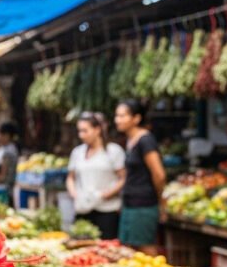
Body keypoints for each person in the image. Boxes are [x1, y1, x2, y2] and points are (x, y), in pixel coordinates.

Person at [114, 99, 166, 254]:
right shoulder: (130, 140)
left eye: (122, 116)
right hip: (130, 203)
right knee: (129, 250)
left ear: (136, 118)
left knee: (145, 248)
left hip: (144, 204)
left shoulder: (146, 140)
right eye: (117, 116)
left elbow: (159, 175)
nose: (118, 120)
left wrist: (161, 201)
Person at [66, 112, 125, 240]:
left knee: (106, 247)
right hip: (83, 209)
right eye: (79, 131)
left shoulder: (113, 151)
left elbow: (123, 178)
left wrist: (106, 194)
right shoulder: (77, 152)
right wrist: (74, 194)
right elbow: (70, 177)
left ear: (97, 130)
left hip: (107, 211)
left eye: (85, 131)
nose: (81, 135)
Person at [0, 121, 20, 201]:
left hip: (3, 192)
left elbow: (3, 177)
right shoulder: (5, 148)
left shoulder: (8, 152)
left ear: (7, 135)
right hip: (2, 188)